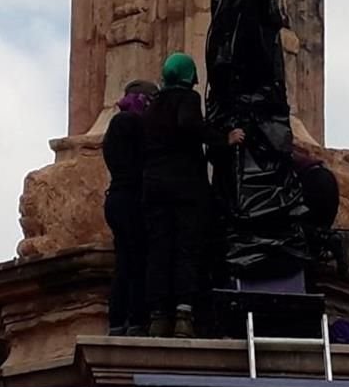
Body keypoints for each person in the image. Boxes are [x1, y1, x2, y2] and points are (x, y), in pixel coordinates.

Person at [142, 53, 244, 338]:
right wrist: (224, 139)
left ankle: (157, 317)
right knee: (186, 249)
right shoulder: (187, 99)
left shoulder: (151, 106)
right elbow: (189, 124)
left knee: (159, 251)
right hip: (185, 187)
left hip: (153, 187)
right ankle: (184, 315)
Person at [102, 79, 159, 336]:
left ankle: (117, 321)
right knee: (137, 262)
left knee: (123, 262)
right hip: (132, 200)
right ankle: (135, 320)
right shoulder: (135, 124)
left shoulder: (115, 126)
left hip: (116, 198)